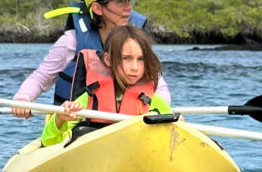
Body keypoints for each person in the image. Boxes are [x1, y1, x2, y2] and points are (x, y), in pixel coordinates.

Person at [11, 0, 170, 118]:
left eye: (129, 0)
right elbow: (40, 79)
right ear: (97, 8)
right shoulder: (71, 41)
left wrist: (162, 113)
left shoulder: (136, 42)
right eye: (120, 1)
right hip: (71, 123)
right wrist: (23, 99)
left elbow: (158, 86)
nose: (129, 8)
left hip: (123, 124)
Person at [40, 25, 172, 146]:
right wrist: (59, 119)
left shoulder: (156, 103)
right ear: (108, 60)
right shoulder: (88, 101)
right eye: (127, 58)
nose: (135, 67)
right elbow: (48, 142)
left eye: (141, 59)